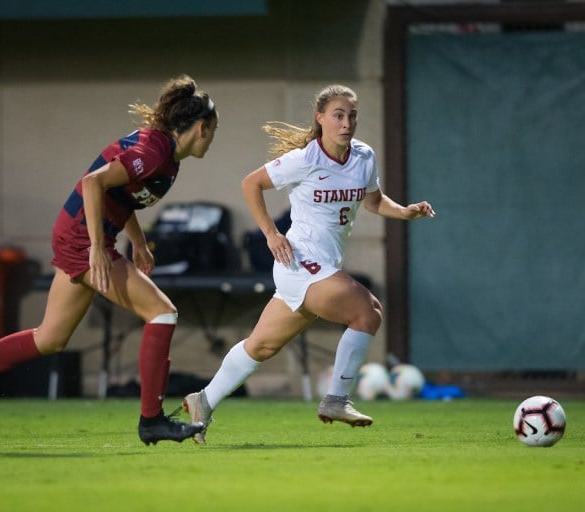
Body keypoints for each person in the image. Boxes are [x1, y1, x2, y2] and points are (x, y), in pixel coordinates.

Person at [0, 75, 218, 445]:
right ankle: (151, 420)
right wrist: (97, 246)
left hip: (79, 234)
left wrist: (139, 244)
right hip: (83, 238)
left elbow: (120, 196)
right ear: (201, 127)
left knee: (50, 339)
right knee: (162, 313)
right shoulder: (155, 154)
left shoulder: (165, 155)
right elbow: (94, 183)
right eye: (213, 131)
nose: (212, 139)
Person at [182, 84, 434, 444]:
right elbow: (251, 184)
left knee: (262, 347)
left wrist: (405, 212)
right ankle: (336, 399)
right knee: (368, 311)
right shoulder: (305, 159)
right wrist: (271, 234)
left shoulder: (363, 156)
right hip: (300, 262)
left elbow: (374, 202)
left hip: (322, 266)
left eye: (351, 115)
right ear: (320, 119)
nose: (346, 123)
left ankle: (202, 402)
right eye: (338, 115)